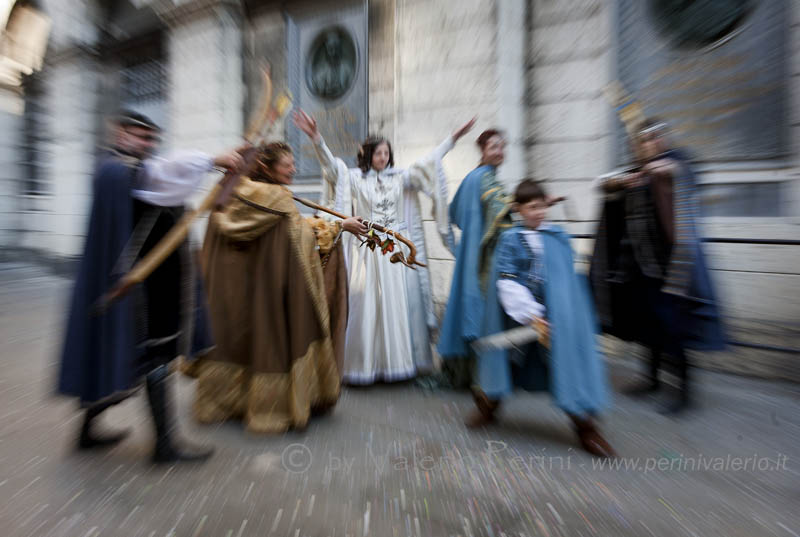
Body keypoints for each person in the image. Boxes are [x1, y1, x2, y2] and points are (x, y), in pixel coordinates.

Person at [58, 110, 244, 463]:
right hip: (139, 291)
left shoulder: (142, 172)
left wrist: (226, 172)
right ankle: (165, 446)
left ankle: (87, 432)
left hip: (153, 285)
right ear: (119, 133)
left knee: (125, 357)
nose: (146, 143)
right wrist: (210, 159)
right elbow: (161, 176)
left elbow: (174, 190)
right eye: (138, 135)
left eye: (150, 137)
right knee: (154, 357)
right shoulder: (115, 170)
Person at [293, 109, 475, 385]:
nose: (383, 157)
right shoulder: (354, 178)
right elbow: (331, 168)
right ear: (368, 155)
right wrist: (317, 138)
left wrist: (453, 139)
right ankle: (362, 366)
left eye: (386, 153)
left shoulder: (401, 177)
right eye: (378, 153)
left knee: (395, 307)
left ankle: (397, 365)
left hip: (394, 252)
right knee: (364, 306)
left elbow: (431, 161)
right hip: (365, 250)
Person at [193, 142, 342, 433]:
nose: (294, 169)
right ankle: (270, 409)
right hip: (270, 292)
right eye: (287, 165)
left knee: (242, 341)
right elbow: (299, 238)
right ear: (267, 167)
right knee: (270, 342)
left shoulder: (228, 193)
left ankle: (228, 402)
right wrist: (337, 228)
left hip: (236, 295)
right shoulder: (276, 199)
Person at [469, 179, 615, 458]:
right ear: (519, 209)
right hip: (519, 319)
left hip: (555, 322)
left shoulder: (557, 236)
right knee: (506, 366)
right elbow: (507, 281)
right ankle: (487, 409)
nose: (538, 213)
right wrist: (530, 313)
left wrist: (559, 314)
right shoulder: (511, 239)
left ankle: (586, 428)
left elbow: (566, 281)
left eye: (541, 207)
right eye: (531, 207)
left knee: (563, 368)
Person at [590, 119, 725, 414]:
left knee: (672, 330)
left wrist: (665, 170)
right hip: (636, 271)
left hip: (670, 271)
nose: (648, 144)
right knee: (646, 329)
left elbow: (686, 176)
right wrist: (622, 181)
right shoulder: (631, 174)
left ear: (661, 140)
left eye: (653, 139)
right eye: (642, 140)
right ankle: (650, 379)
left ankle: (683, 392)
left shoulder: (677, 164)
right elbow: (601, 185)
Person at [438, 129, 514, 389]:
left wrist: (472, 231)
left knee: (465, 306)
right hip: (484, 256)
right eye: (494, 146)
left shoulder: (472, 177)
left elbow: (454, 212)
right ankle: (481, 378)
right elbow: (499, 207)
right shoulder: (486, 179)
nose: (499, 151)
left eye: (502, 147)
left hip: (469, 253)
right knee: (482, 310)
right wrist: (525, 204)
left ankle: (460, 373)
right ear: (482, 150)